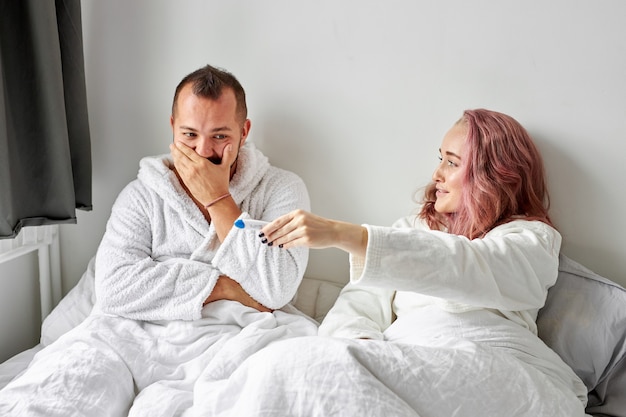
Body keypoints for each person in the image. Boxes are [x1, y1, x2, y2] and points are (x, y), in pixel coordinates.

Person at [0, 64, 317, 417]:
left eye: (220, 136)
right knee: (56, 392)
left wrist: (219, 201)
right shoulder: (142, 195)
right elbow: (114, 289)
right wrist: (225, 285)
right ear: (172, 128)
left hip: (227, 338)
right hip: (126, 334)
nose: (202, 151)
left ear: (244, 132)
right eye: (190, 135)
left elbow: (275, 289)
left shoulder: (281, 190)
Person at [240, 109, 589, 416]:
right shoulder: (409, 230)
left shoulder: (531, 238)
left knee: (284, 365)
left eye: (452, 162)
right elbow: (356, 307)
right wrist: (360, 355)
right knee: (283, 366)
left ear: (494, 174)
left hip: (495, 366)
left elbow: (472, 266)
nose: (437, 173)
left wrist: (345, 235)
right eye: (440, 158)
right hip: (410, 361)